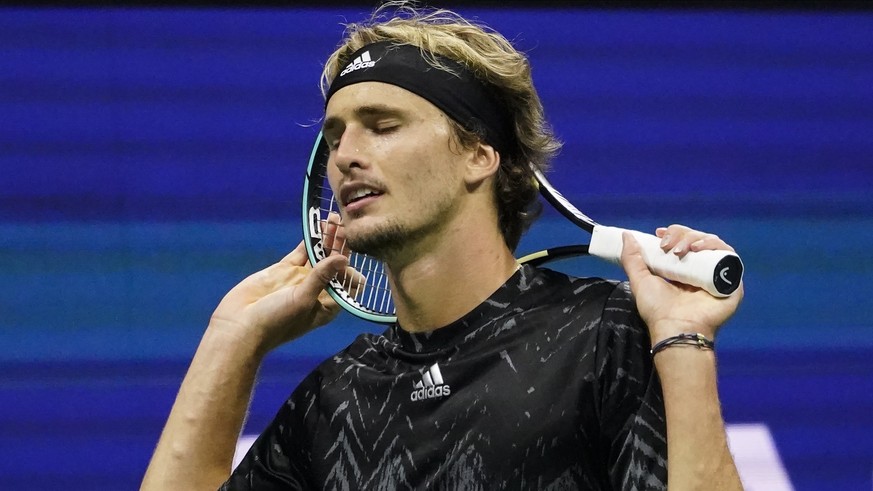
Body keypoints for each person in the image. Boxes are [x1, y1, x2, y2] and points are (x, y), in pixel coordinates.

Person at [141, 3, 744, 490]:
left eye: (382, 126)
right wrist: (234, 337)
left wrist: (684, 342)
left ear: (479, 156)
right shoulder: (336, 398)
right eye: (335, 135)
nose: (344, 156)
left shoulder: (606, 335)